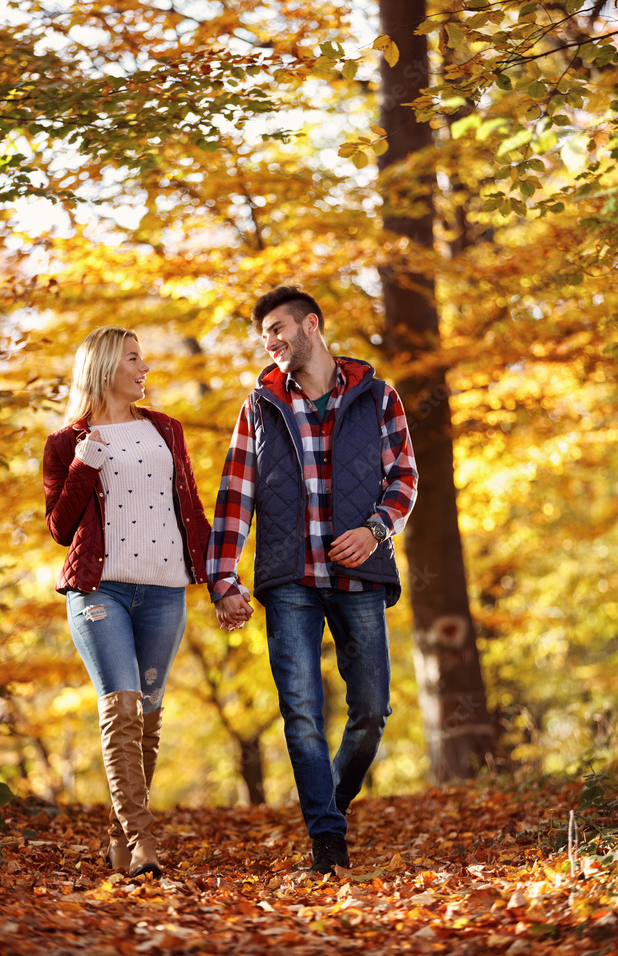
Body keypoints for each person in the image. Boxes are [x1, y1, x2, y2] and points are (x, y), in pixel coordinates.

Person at [207, 285, 418, 874]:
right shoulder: (261, 406)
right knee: (300, 710)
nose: (270, 343)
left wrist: (375, 529)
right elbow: (235, 495)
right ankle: (327, 840)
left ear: (311, 326)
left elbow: (403, 478)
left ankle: (332, 803)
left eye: (277, 328)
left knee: (372, 710)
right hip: (289, 577)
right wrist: (223, 578)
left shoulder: (379, 397)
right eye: (263, 335)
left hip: (360, 572)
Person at [43, 326, 211, 879]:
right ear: (105, 367)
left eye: (144, 359)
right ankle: (144, 842)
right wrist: (84, 463)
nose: (145, 369)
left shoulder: (165, 429)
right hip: (99, 590)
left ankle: (120, 840)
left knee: (149, 716)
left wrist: (221, 580)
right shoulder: (67, 442)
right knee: (121, 705)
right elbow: (60, 528)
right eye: (134, 359)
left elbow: (191, 510)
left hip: (162, 591)